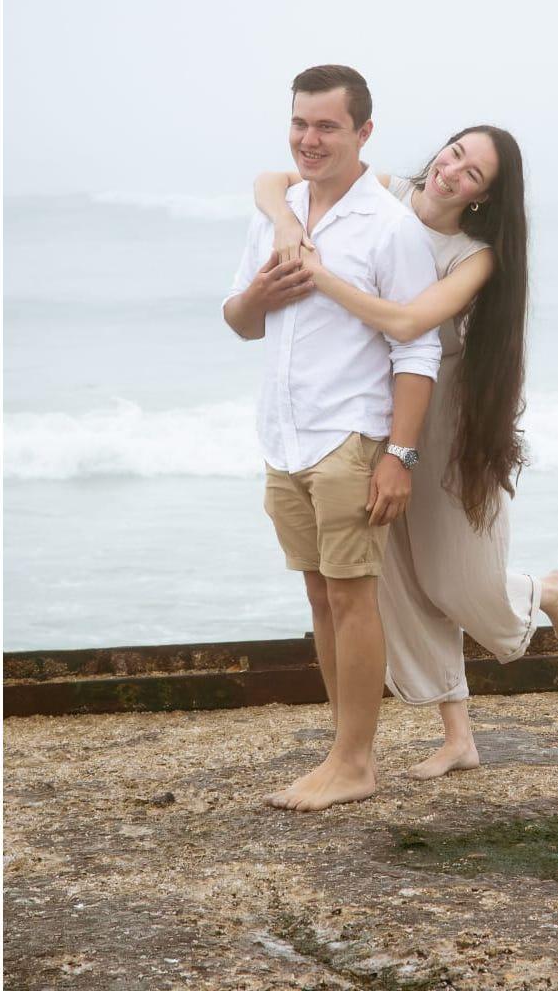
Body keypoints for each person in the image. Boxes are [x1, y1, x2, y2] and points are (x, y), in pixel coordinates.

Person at [253, 125, 558, 781]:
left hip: (445, 418)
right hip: (375, 400)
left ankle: (541, 590)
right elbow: (271, 182)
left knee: (454, 580)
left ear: (484, 197)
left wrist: (318, 276)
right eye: (455, 153)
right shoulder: (386, 191)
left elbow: (410, 323)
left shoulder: (475, 256)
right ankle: (457, 736)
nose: (452, 171)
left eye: (472, 174)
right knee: (398, 577)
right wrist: (286, 226)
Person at [223, 65, 441, 812]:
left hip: (350, 434)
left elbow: (418, 350)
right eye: (299, 124)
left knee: (351, 598)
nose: (309, 140)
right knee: (319, 595)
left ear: (363, 132)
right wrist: (258, 294)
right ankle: (341, 752)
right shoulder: (278, 212)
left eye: (327, 126)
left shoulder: (390, 225)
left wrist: (398, 457)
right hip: (284, 436)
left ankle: (355, 764)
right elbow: (241, 322)